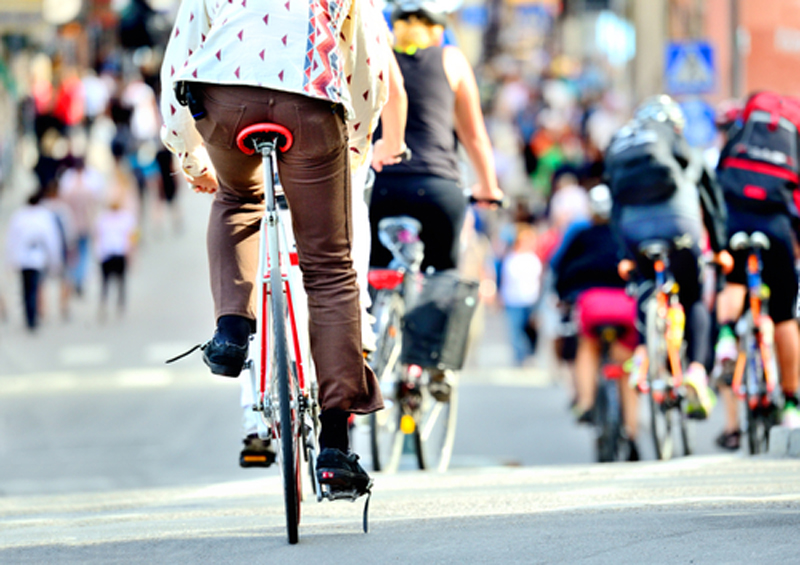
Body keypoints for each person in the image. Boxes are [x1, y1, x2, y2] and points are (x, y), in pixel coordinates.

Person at [159, 0, 407, 493]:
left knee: (236, 200)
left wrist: (186, 153)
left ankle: (231, 330)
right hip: (310, 100)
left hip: (224, 96)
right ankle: (335, 445)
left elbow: (180, 58)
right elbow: (370, 69)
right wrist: (352, 146)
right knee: (330, 267)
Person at [368, 0, 504, 396]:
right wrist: (489, 187)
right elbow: (474, 134)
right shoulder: (453, 60)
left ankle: (373, 342)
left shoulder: (377, 51)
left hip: (383, 185)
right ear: (438, 28)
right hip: (439, 186)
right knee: (443, 272)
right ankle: (427, 365)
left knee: (374, 270)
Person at [607, 95, 729, 420]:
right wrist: (719, 249)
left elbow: (615, 203)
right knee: (692, 297)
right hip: (679, 223)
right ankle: (697, 373)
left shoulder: (624, 145)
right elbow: (711, 200)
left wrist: (624, 253)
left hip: (634, 230)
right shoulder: (675, 141)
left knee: (646, 282)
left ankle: (644, 352)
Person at [713, 91, 800, 434]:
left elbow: (719, 176)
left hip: (736, 220)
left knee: (734, 281)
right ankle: (792, 401)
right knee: (782, 316)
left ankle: (723, 341)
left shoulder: (742, 135)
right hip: (775, 227)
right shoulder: (790, 146)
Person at [550, 184, 639, 457]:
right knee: (625, 361)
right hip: (625, 305)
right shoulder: (626, 234)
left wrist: (563, 294)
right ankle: (632, 429)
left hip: (591, 304)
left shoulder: (581, 234)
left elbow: (559, 265)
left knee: (587, 345)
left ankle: (587, 402)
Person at [4, 190, 63, 331]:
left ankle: (30, 316)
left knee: (27, 288)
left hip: (26, 258)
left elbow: (11, 240)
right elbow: (52, 239)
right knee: (34, 287)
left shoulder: (20, 216)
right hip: (36, 258)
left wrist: (10, 258)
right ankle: (32, 316)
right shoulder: (43, 216)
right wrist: (55, 259)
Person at [499, 223, 542, 366]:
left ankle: (529, 355)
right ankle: (519, 358)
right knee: (515, 331)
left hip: (530, 300)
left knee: (529, 331)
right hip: (513, 299)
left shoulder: (534, 258)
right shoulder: (510, 257)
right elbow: (503, 278)